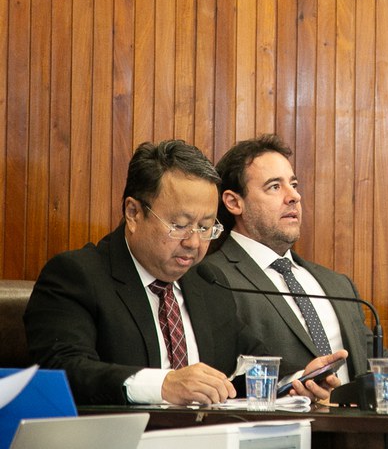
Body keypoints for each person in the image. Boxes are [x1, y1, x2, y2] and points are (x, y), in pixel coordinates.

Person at [24, 140, 346, 406]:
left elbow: (250, 364)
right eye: (179, 225)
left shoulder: (206, 283)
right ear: (133, 213)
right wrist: (164, 384)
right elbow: (63, 370)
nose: (194, 243)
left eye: (205, 227)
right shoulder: (77, 276)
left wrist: (296, 380)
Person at [204, 134, 384, 383]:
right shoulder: (211, 280)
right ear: (234, 202)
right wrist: (291, 386)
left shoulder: (338, 285)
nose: (294, 197)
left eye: (294, 185)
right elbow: (219, 375)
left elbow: (381, 365)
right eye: (275, 187)